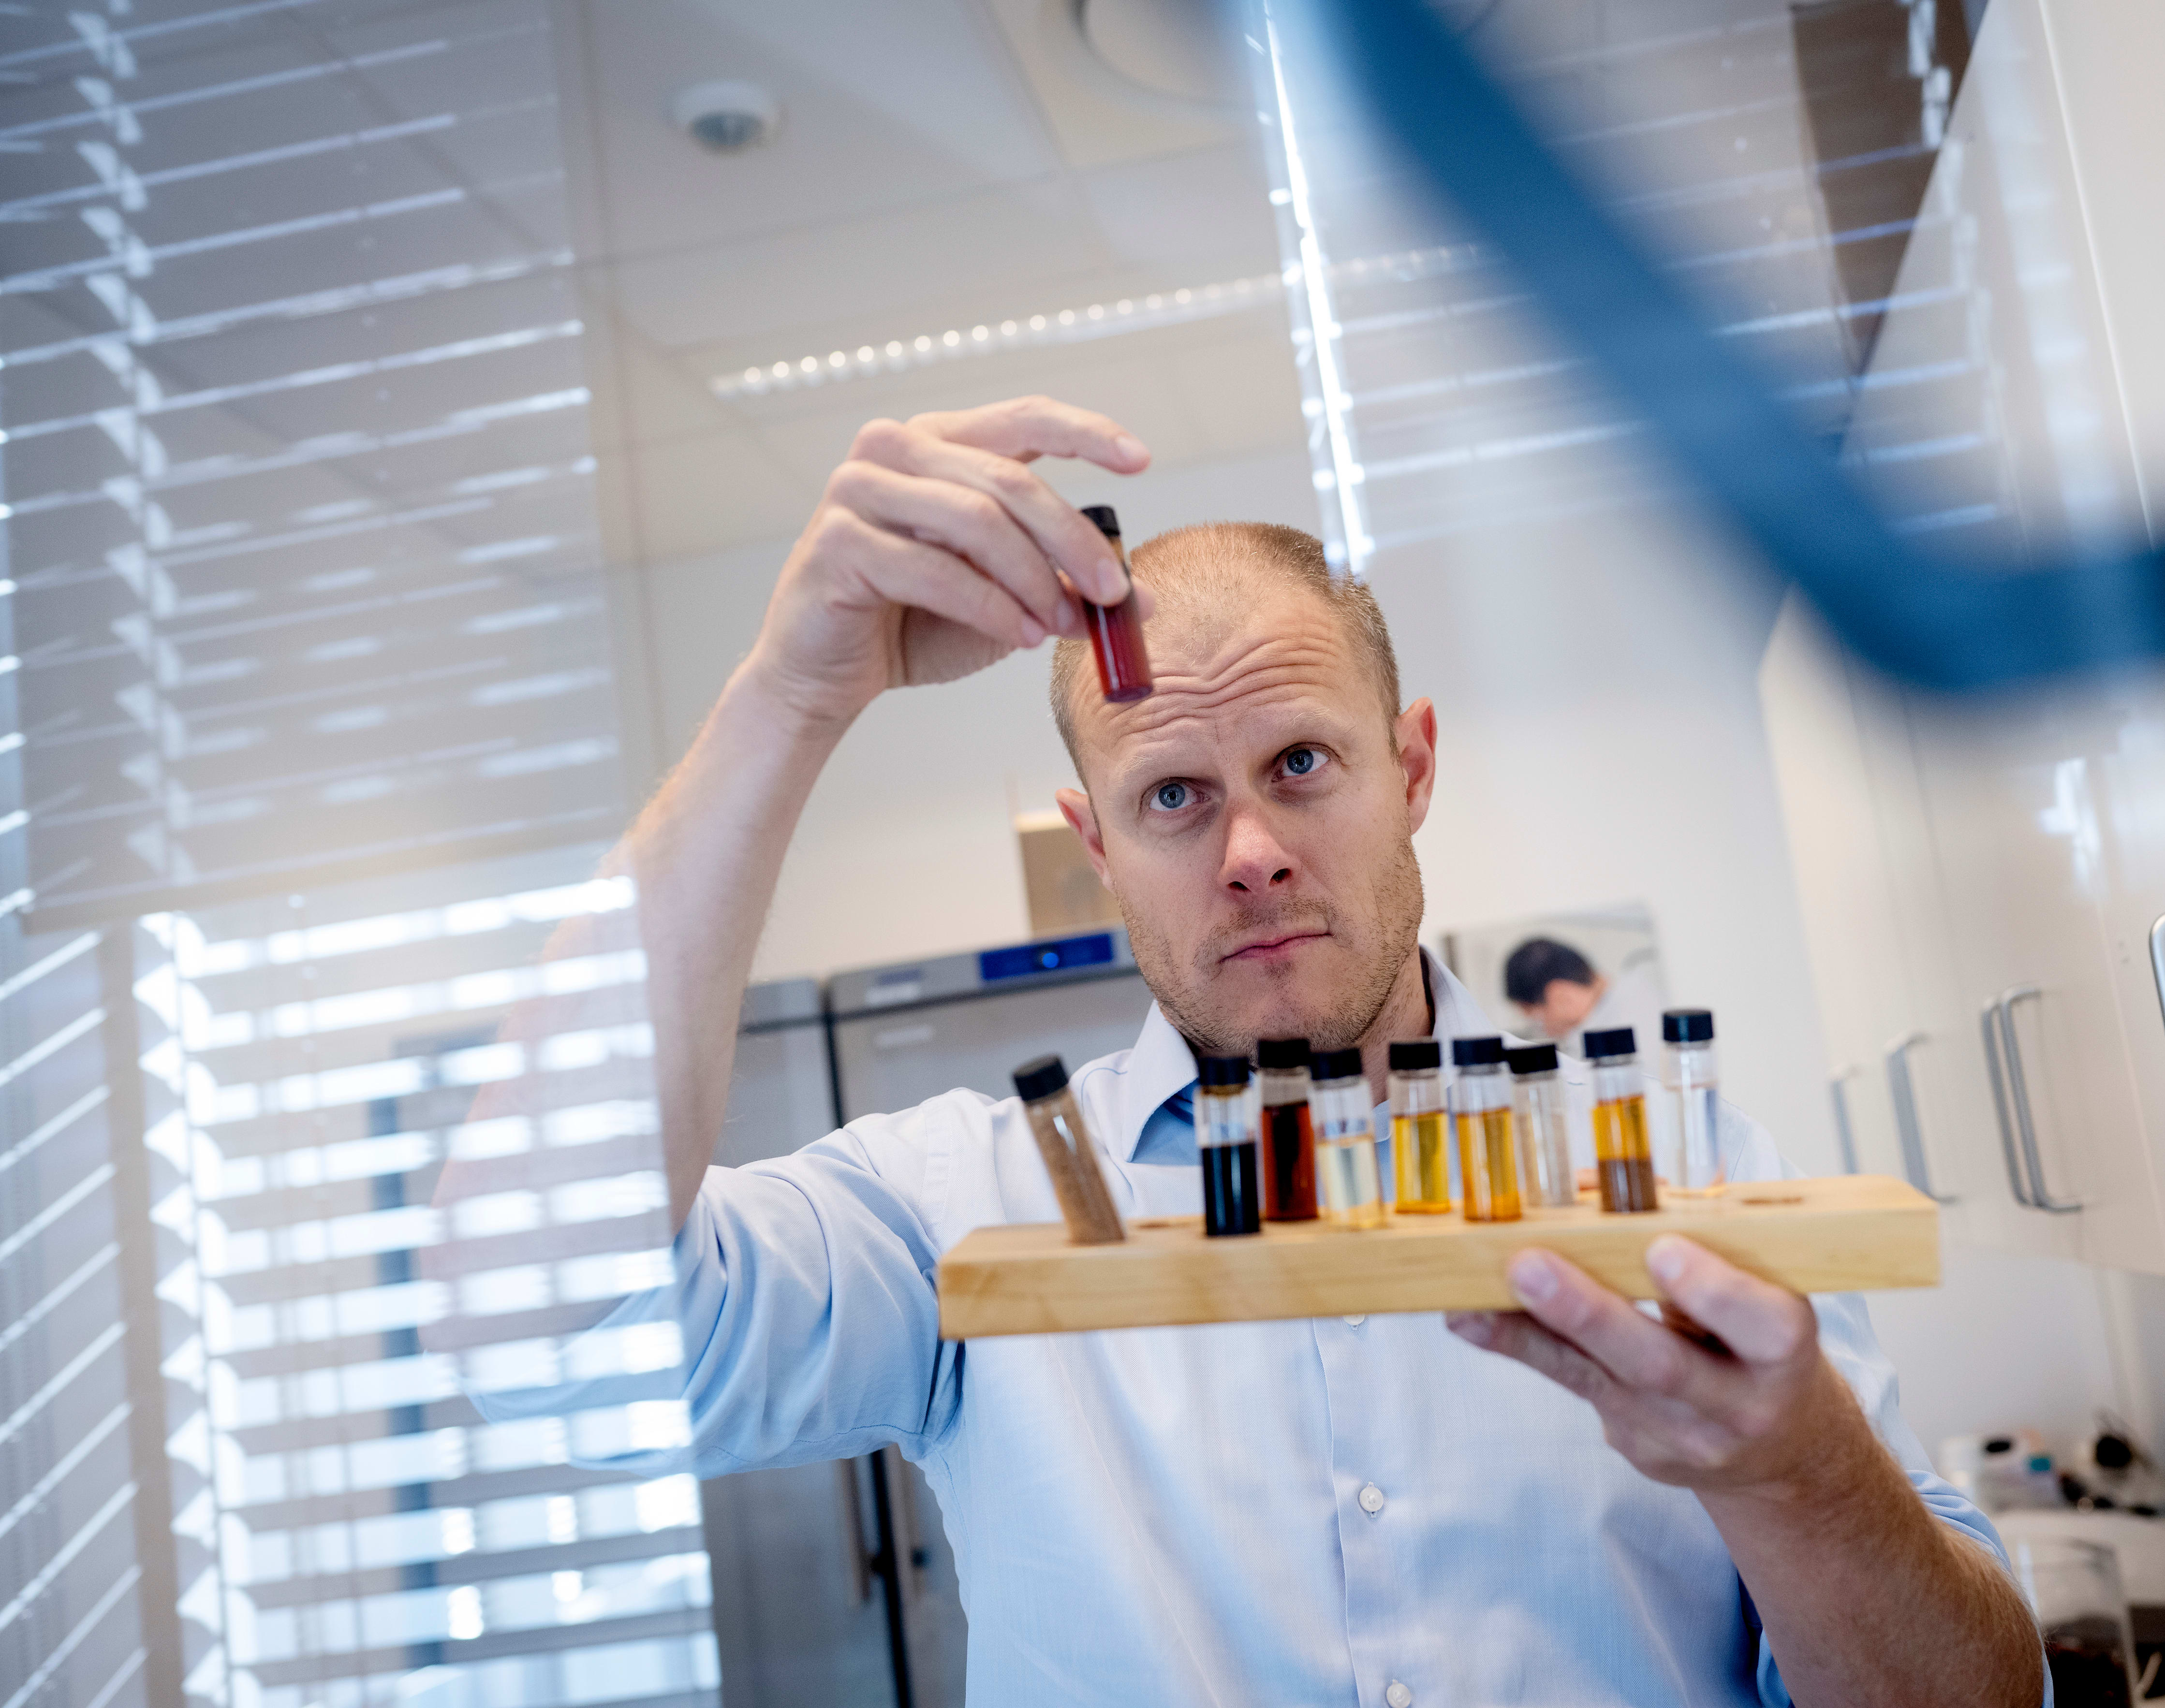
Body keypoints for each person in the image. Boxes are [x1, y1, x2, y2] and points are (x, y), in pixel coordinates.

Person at [448, 395, 2042, 1706]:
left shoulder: (1672, 1181)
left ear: (1412, 769)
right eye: (1173, 796)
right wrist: (790, 696)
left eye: (1300, 762)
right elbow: (528, 1332)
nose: (1253, 851)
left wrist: (1796, 1470)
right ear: (1096, 845)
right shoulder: (960, 1212)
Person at [1504, 935, 1668, 1054]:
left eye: (1537, 1021)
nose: (1545, 1032)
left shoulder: (1612, 1044)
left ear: (1562, 998)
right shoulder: (1639, 992)